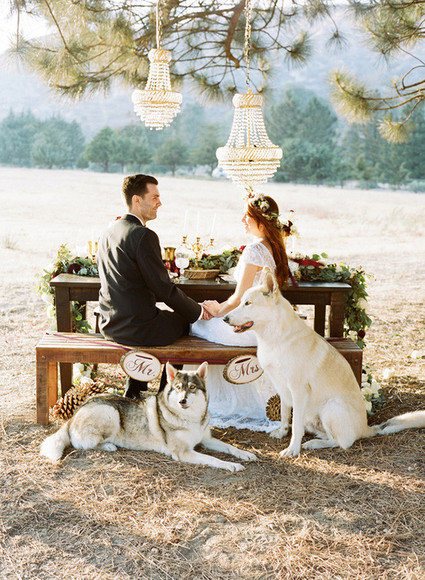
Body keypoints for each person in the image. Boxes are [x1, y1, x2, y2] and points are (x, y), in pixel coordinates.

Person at [97, 174, 208, 398]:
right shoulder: (143, 235)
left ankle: (135, 387)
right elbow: (163, 289)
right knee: (185, 323)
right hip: (137, 328)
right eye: (155, 197)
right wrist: (197, 312)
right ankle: (166, 393)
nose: (160, 203)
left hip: (109, 323)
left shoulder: (110, 230)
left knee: (165, 318)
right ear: (137, 200)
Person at [190, 193, 290, 431]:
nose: (243, 220)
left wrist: (217, 311)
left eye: (247, 216)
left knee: (194, 324)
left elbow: (238, 298)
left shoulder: (254, 250)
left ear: (261, 222)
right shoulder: (275, 248)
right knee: (206, 323)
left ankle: (217, 399)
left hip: (248, 330)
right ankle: (229, 394)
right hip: (264, 327)